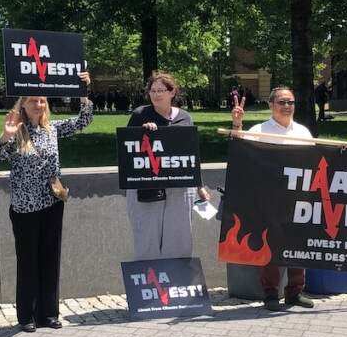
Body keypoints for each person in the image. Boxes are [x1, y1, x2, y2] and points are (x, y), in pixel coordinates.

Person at [0, 72, 93, 332]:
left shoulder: (51, 129)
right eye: (33, 101)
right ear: (23, 104)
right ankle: (26, 315)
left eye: (42, 101)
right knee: (28, 260)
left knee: (50, 259)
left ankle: (48, 313)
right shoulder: (17, 132)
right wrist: (5, 137)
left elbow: (83, 121)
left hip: (52, 203)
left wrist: (84, 90)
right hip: (25, 208)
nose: (39, 105)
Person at [231, 85, 315, 311]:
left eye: (290, 102)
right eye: (281, 102)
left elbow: (315, 163)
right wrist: (237, 124)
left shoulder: (303, 132)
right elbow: (239, 147)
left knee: (299, 246)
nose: (286, 106)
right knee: (270, 247)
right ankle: (270, 295)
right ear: (271, 105)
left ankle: (295, 293)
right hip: (269, 200)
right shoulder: (260, 129)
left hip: (298, 200)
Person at [125, 72, 210, 261]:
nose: (156, 95)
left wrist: (199, 185)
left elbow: (192, 153)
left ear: (172, 93)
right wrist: (142, 133)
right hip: (148, 185)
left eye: (161, 90)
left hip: (179, 186)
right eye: (152, 90)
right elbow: (127, 149)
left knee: (179, 237)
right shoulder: (140, 115)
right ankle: (151, 282)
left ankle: (177, 280)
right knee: (147, 238)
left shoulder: (185, 118)